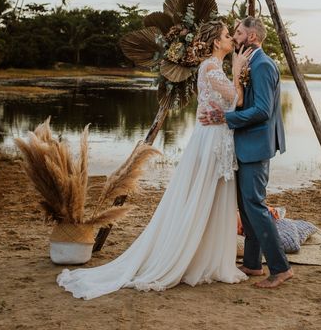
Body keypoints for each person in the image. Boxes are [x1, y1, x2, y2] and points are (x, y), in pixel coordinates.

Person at [57, 21, 252, 299]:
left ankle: (208, 258)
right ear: (214, 43)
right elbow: (238, 100)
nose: (231, 38)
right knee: (201, 196)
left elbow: (229, 104)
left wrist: (233, 74)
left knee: (214, 197)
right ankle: (189, 258)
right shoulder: (210, 67)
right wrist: (237, 73)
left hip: (216, 138)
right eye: (225, 36)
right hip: (210, 141)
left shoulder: (212, 67)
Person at [199, 16, 293, 289]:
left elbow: (263, 110)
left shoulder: (262, 65)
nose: (234, 36)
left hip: (255, 145)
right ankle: (252, 263)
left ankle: (280, 268)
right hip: (243, 144)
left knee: (255, 206)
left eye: (238, 32)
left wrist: (226, 119)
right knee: (246, 206)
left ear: (251, 37)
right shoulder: (249, 63)